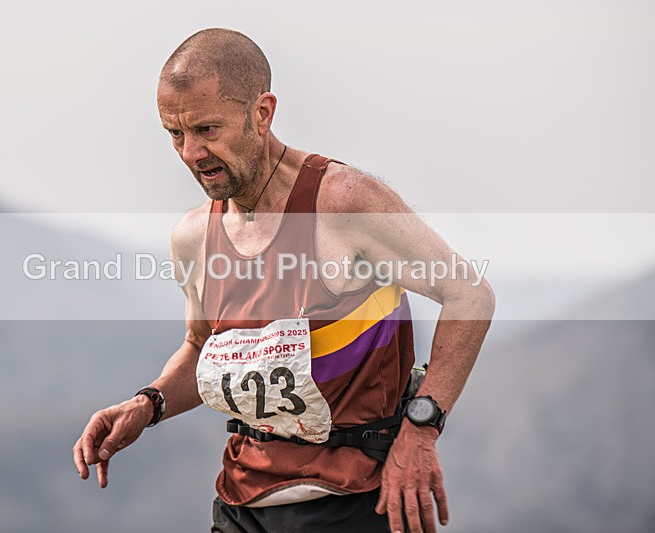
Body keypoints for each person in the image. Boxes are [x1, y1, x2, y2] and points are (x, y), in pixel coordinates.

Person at [73, 28, 495, 533]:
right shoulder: (193, 238)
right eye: (175, 134)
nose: (190, 152)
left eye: (207, 129)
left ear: (262, 113)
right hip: (241, 506)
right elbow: (201, 347)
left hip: (357, 501)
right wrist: (149, 403)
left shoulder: (342, 202)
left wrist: (422, 428)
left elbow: (469, 295)